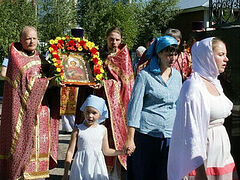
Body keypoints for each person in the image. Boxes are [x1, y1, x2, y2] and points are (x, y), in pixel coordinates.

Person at [168, 37, 239, 180]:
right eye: (220, 55)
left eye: (225, 54)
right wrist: (200, 172)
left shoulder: (215, 82)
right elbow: (190, 133)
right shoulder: (193, 87)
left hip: (221, 154)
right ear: (207, 57)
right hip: (204, 157)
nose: (226, 59)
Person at [0, 26, 60, 180]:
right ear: (21, 40)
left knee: (41, 142)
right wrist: (50, 82)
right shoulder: (16, 58)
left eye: (34, 38)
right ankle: (22, 172)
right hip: (24, 112)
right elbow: (28, 84)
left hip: (43, 109)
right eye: (28, 38)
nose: (31, 41)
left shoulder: (42, 58)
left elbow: (50, 77)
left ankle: (40, 173)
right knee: (27, 143)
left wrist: (60, 77)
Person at [75, 27, 134, 179]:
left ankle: (115, 175)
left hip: (116, 108)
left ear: (121, 40)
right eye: (111, 39)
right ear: (106, 39)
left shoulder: (123, 56)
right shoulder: (99, 55)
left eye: (117, 39)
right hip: (98, 104)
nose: (114, 42)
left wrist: (105, 84)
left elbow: (125, 85)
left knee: (113, 139)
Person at [124, 35, 182, 180]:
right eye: (169, 54)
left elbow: (179, 105)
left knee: (165, 175)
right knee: (144, 174)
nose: (173, 58)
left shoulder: (177, 76)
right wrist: (130, 138)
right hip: (147, 135)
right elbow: (134, 108)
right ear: (159, 53)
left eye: (175, 54)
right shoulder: (145, 76)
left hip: (169, 135)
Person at [62, 95, 125, 180]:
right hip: (80, 166)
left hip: (97, 166)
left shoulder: (102, 130)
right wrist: (65, 173)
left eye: (94, 113)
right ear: (83, 111)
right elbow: (70, 152)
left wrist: (121, 152)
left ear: (100, 114)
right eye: (87, 112)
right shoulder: (78, 129)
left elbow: (106, 151)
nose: (90, 116)